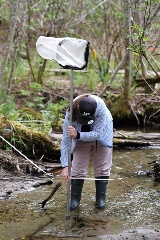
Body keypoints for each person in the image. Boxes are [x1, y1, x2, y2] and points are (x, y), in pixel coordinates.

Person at [60, 94, 113, 210]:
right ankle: (74, 201)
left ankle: (100, 200)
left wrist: (77, 134)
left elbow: (98, 134)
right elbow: (65, 140)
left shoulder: (101, 109)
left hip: (102, 135)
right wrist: (65, 165)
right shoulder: (71, 111)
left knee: (102, 166)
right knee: (77, 167)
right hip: (78, 135)